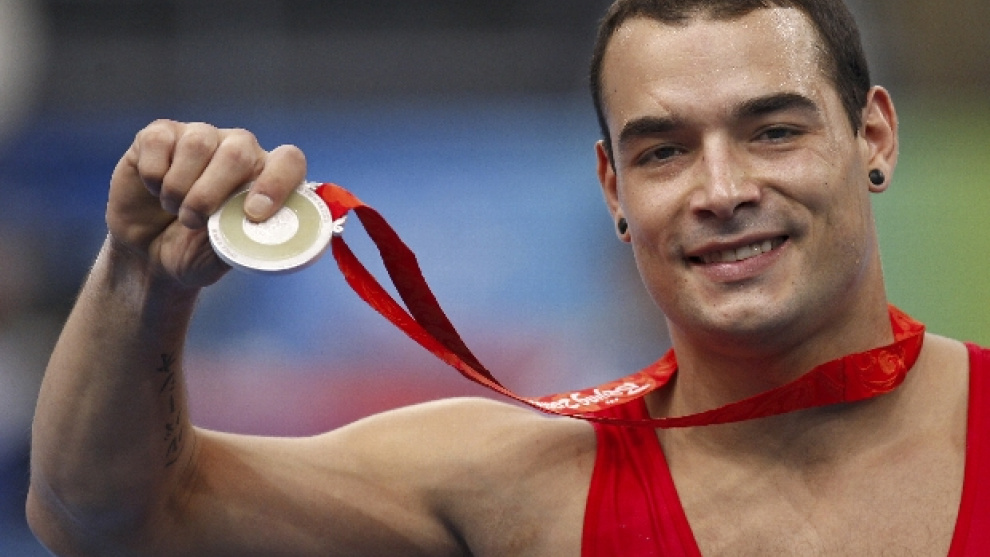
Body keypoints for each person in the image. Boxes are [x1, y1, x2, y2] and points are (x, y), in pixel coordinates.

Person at [26, 0, 990, 555]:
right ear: (613, 188)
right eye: (662, 152)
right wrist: (142, 281)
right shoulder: (517, 483)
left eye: (772, 131)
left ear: (873, 136)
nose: (722, 190)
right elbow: (101, 515)